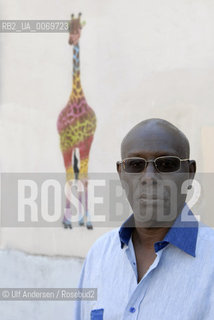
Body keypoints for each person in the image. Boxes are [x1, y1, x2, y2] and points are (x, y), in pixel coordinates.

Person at [74, 118, 214, 320]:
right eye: (135, 164)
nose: (149, 177)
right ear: (121, 174)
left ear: (189, 173)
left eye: (166, 164)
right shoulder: (99, 256)